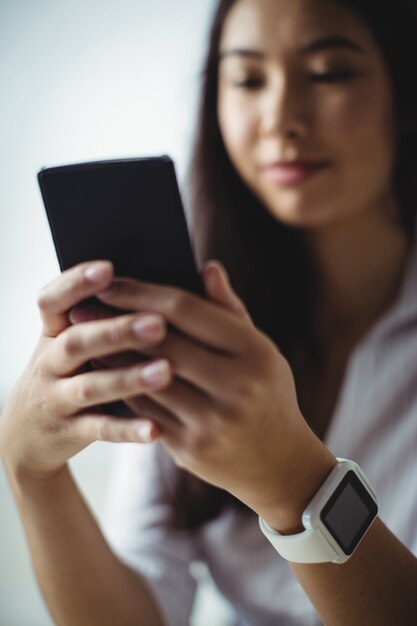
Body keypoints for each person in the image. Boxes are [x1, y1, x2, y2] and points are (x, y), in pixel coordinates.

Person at [1, 0, 417, 624]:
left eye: (330, 72)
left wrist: (291, 479)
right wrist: (31, 472)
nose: (281, 117)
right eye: (248, 79)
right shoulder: (196, 326)